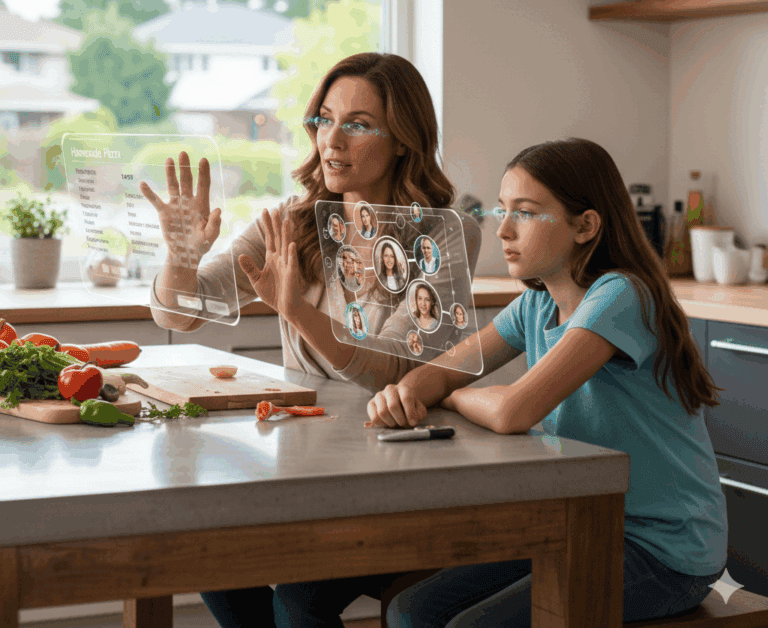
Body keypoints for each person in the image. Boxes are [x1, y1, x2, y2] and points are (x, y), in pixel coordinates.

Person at [140, 51, 482, 628]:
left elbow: (386, 369)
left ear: (403, 140)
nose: (333, 139)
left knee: (298, 600)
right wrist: (181, 257)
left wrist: (296, 308)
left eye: (359, 124)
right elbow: (182, 312)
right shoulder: (294, 223)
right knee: (205, 555)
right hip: (307, 465)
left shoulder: (445, 235)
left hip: (398, 470)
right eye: (324, 119)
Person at [366, 137, 729, 627]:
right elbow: (438, 373)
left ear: (586, 226)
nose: (504, 230)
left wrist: (451, 396)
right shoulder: (536, 304)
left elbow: (514, 411)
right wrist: (405, 394)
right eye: (502, 210)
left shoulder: (622, 296)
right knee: (412, 611)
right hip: (580, 524)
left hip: (665, 551)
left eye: (527, 213)